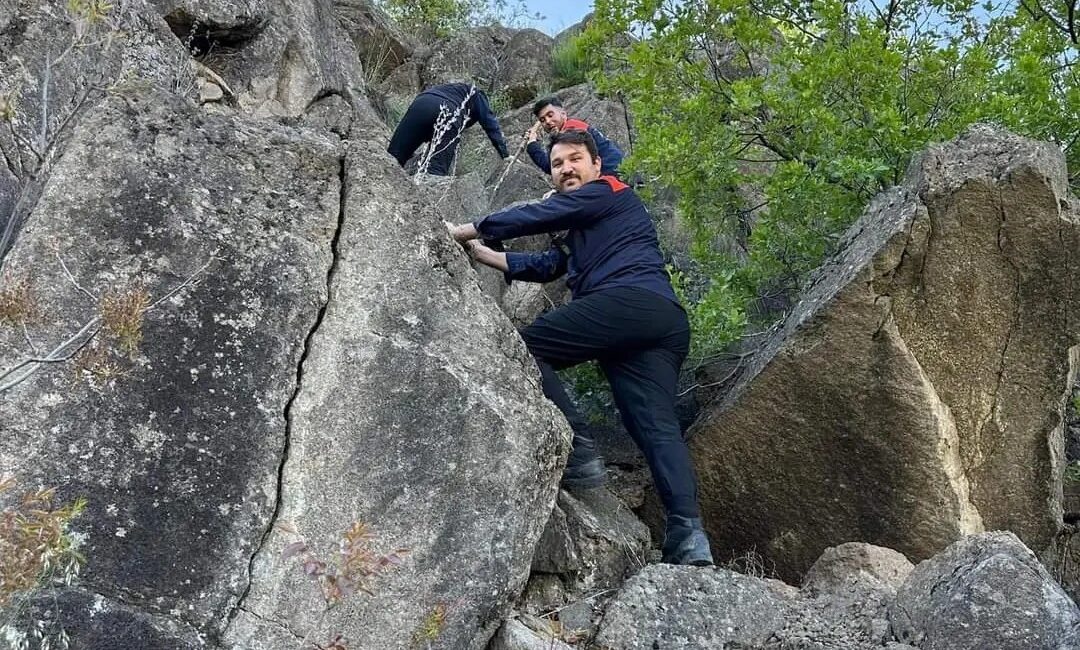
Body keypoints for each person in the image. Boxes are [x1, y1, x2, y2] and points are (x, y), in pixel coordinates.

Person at [446, 130, 713, 566]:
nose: (566, 168)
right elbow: (549, 265)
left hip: (629, 301)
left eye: (574, 159)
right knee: (654, 428)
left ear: (595, 166)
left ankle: (579, 450)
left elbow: (537, 215)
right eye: (557, 164)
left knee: (525, 348)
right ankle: (688, 537)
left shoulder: (608, 191)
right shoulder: (587, 222)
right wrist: (481, 253)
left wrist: (462, 231)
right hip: (660, 320)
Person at [388, 82, 510, 176]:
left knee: (393, 158)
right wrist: (505, 154)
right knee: (435, 171)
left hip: (421, 103)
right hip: (449, 112)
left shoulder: (448, 89)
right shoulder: (477, 94)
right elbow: (490, 124)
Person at [525, 97, 624, 178]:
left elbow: (550, 165)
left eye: (550, 115)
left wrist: (532, 144)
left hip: (612, 177)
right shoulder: (573, 127)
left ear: (563, 114)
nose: (547, 121)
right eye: (542, 120)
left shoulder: (571, 129)